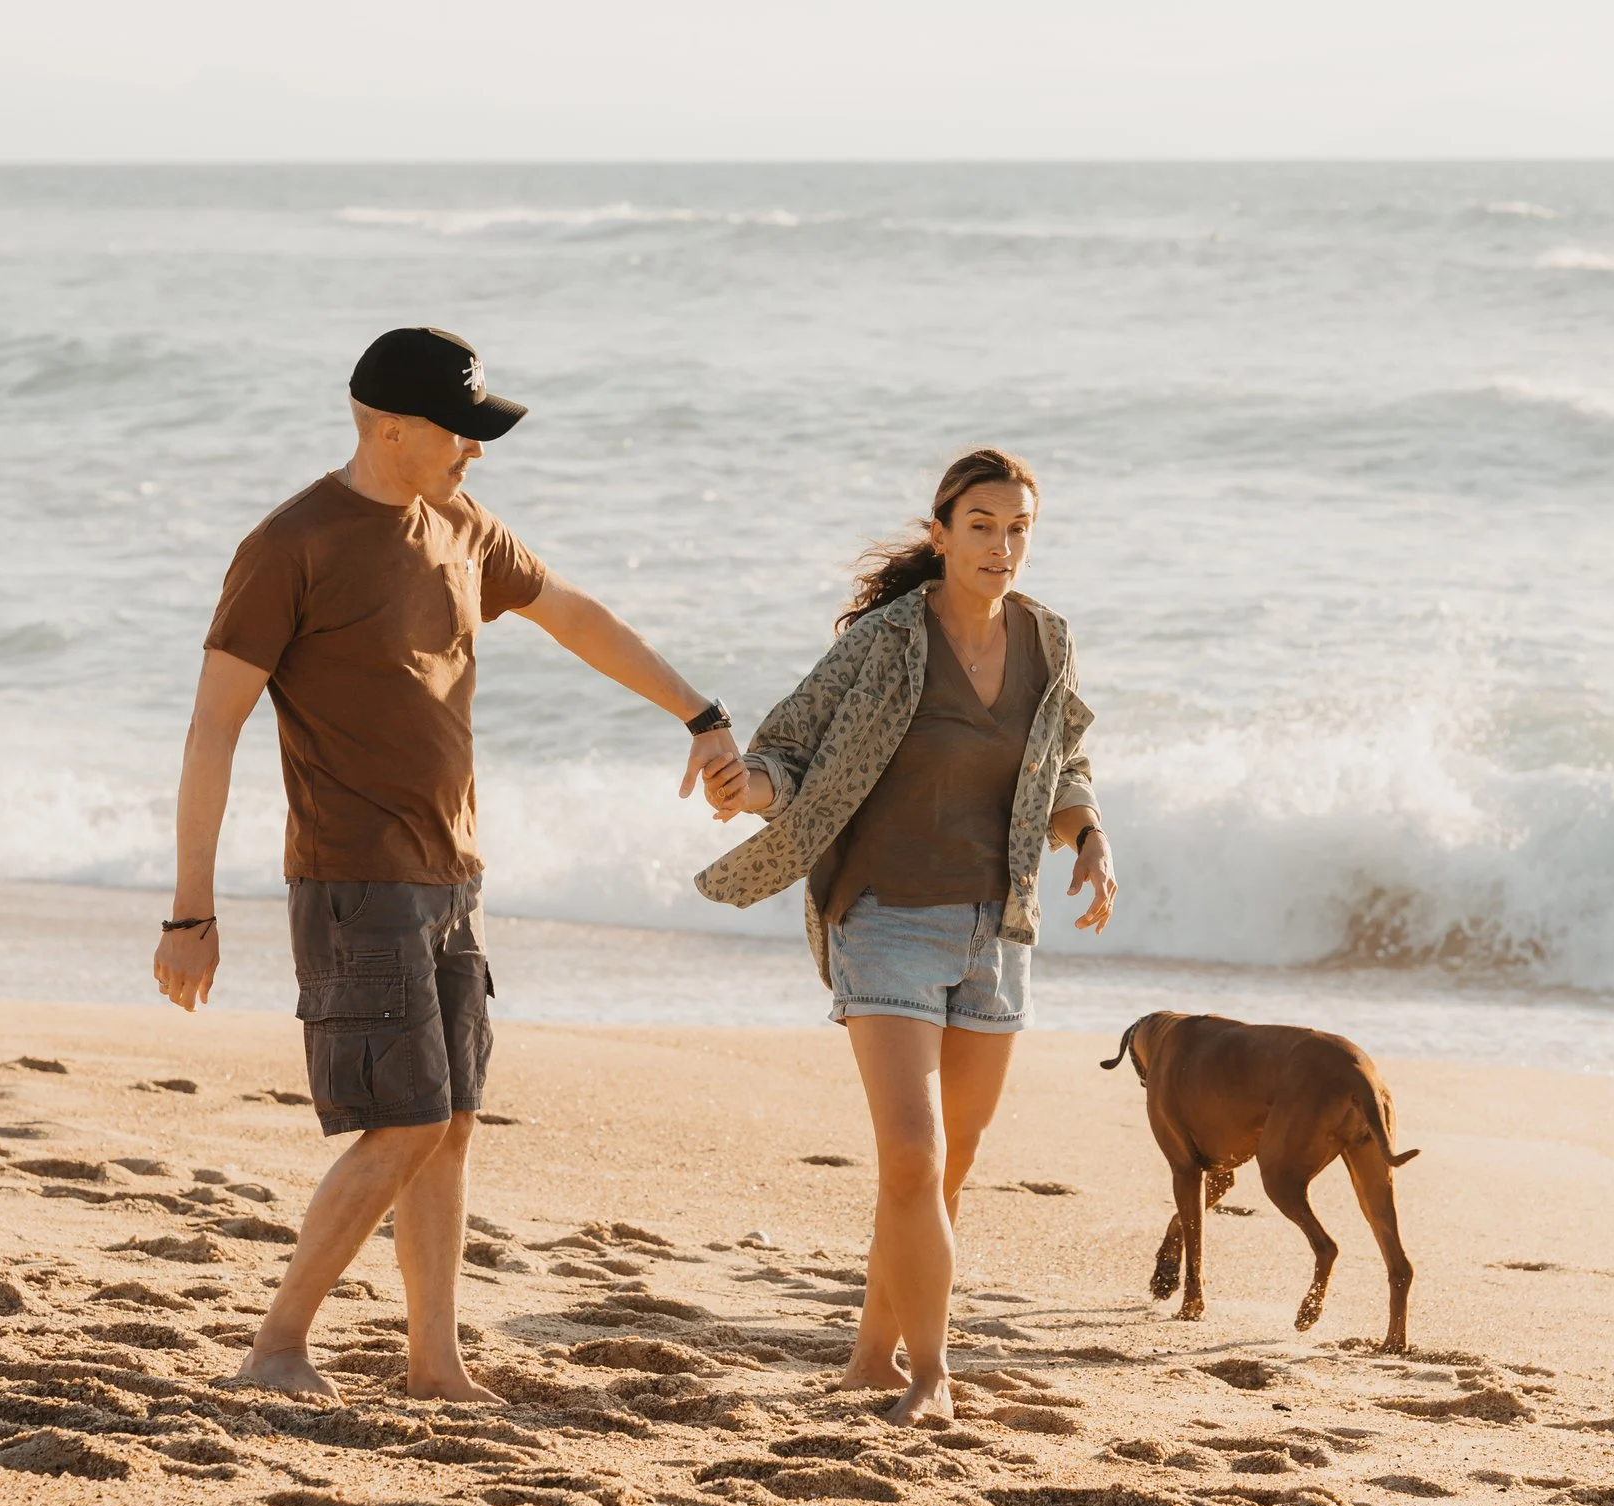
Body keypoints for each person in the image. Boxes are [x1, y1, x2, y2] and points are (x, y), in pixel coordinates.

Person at [152, 326, 745, 1404]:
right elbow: (211, 729)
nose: (475, 450)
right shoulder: (291, 544)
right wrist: (189, 911)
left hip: (450, 872)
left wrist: (698, 712)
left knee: (451, 1121)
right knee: (406, 1122)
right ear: (389, 427)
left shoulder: (460, 523)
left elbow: (572, 614)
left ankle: (435, 1361)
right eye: (459, 432)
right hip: (351, 876)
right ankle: (276, 1346)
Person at [696, 448, 1117, 1424]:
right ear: (941, 532)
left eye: (1017, 527)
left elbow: (1064, 766)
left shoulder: (1047, 641)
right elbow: (788, 745)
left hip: (997, 926)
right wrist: (744, 787)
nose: (1001, 545)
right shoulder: (887, 640)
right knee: (914, 1156)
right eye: (981, 524)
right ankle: (931, 1377)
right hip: (884, 918)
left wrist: (1090, 840)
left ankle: (868, 1358)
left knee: (946, 1166)